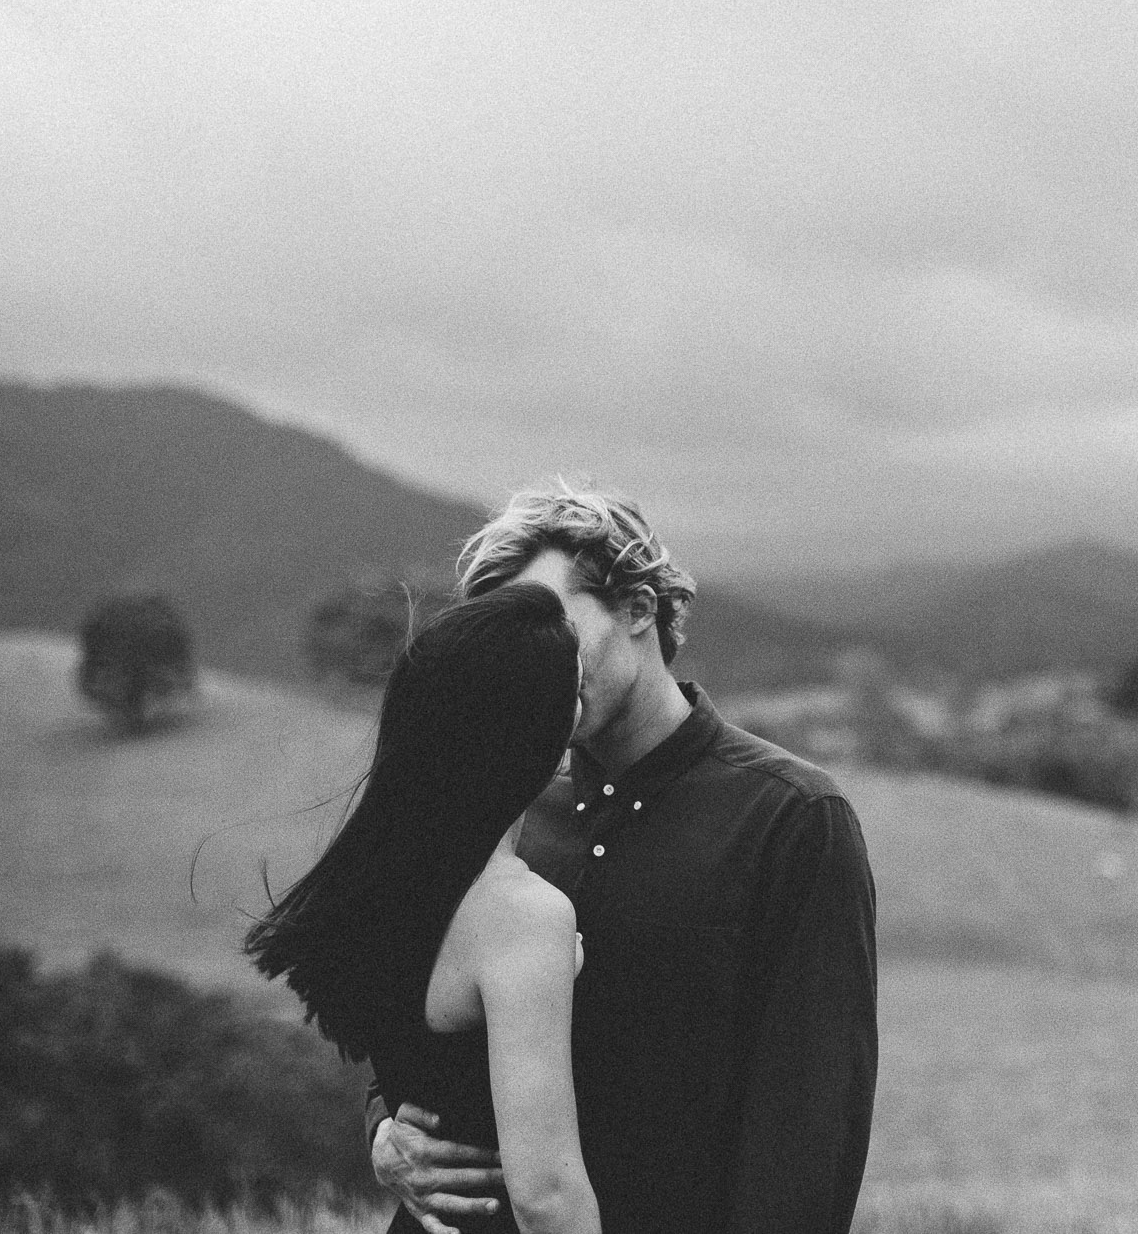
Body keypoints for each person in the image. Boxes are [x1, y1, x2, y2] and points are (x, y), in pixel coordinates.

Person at [370, 481, 878, 1234]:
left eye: (551, 625)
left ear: (639, 607)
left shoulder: (791, 818)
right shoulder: (498, 815)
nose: (534, 664)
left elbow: (806, 1131)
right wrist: (384, 1128)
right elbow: (407, 1006)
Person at [246, 583, 599, 1234]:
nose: (580, 713)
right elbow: (546, 1192)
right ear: (530, 729)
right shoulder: (523, 912)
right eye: (572, 696)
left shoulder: (388, 881)